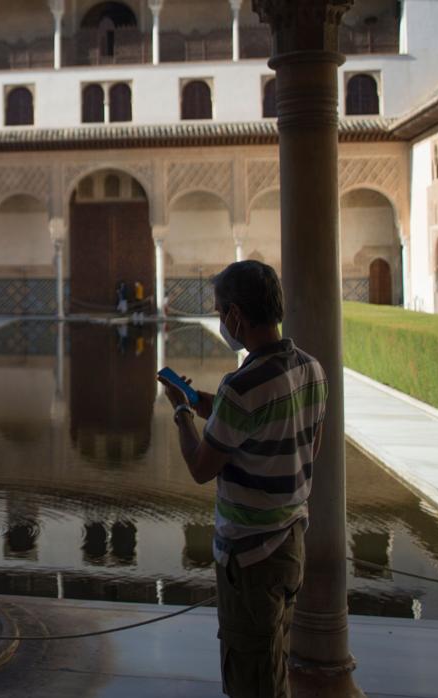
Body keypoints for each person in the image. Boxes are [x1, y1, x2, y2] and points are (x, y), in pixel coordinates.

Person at [157, 261, 327, 698]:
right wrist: (202, 404)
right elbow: (297, 442)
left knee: (252, 678)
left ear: (235, 315)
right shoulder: (310, 369)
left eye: (219, 313)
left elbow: (200, 467)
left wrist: (180, 412)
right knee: (275, 661)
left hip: (250, 559)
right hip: (290, 543)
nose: (220, 322)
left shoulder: (242, 387)